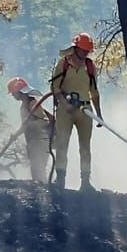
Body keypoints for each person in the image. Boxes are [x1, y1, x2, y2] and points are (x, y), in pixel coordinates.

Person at [39, 32, 105, 190]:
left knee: (85, 147)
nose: (85, 54)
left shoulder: (89, 66)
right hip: (65, 110)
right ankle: (60, 179)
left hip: (85, 110)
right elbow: (55, 88)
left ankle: (85, 182)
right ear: (75, 49)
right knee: (62, 144)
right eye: (83, 50)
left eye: (87, 51)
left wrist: (99, 114)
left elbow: (94, 92)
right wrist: (64, 103)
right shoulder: (64, 64)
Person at [6, 77, 51, 182]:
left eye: (13, 93)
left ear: (19, 91)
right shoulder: (24, 105)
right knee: (35, 170)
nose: (12, 95)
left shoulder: (33, 104)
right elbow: (24, 126)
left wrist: (30, 124)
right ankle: (40, 191)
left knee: (39, 169)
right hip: (33, 142)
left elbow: (44, 122)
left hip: (40, 141)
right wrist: (16, 135)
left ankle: (43, 192)